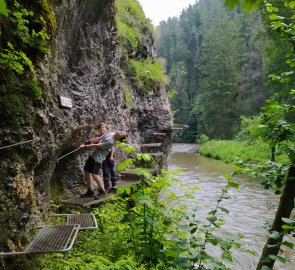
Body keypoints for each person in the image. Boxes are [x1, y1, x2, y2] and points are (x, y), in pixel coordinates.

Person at [80, 125, 127, 198]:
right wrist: (87, 142)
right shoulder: (111, 133)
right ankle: (90, 191)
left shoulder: (111, 142)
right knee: (87, 171)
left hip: (97, 159)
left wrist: (85, 146)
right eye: (121, 131)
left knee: (94, 174)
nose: (120, 131)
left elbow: (98, 145)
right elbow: (98, 138)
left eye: (121, 133)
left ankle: (102, 191)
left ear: (119, 138)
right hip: (93, 156)